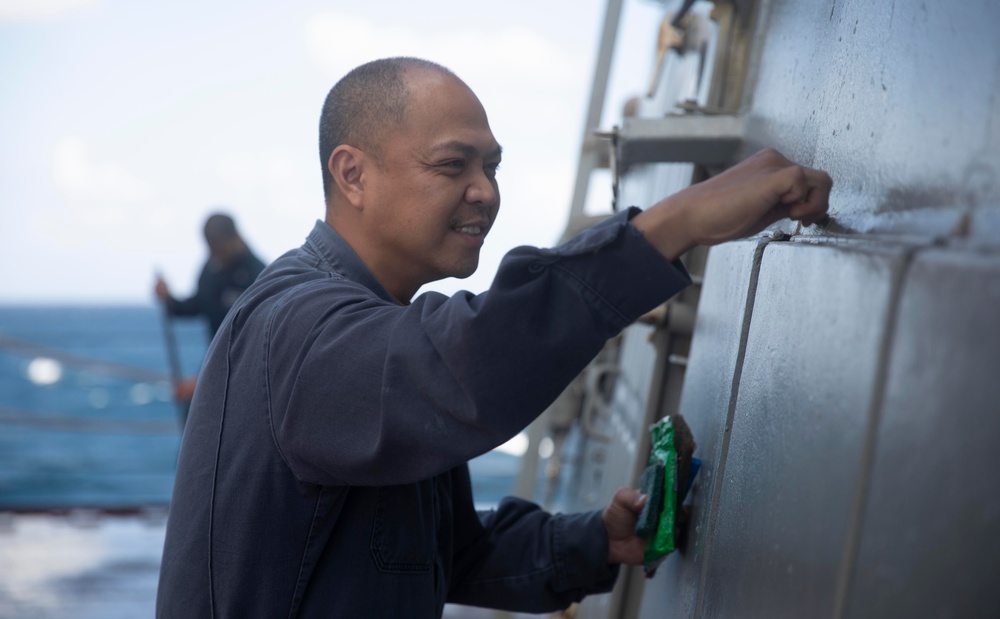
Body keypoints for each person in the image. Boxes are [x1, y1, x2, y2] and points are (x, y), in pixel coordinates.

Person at [156, 57, 831, 618]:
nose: (485, 192)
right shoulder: (299, 329)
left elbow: (448, 552)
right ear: (352, 174)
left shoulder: (368, 332)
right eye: (453, 166)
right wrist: (670, 227)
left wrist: (596, 541)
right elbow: (465, 366)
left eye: (492, 167)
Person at [154, 213, 265, 404]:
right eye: (211, 248)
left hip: (250, 378)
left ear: (235, 237)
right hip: (217, 367)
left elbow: (253, 346)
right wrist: (169, 300)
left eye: (219, 247)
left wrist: (203, 383)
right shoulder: (211, 270)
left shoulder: (259, 276)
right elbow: (197, 304)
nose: (215, 255)